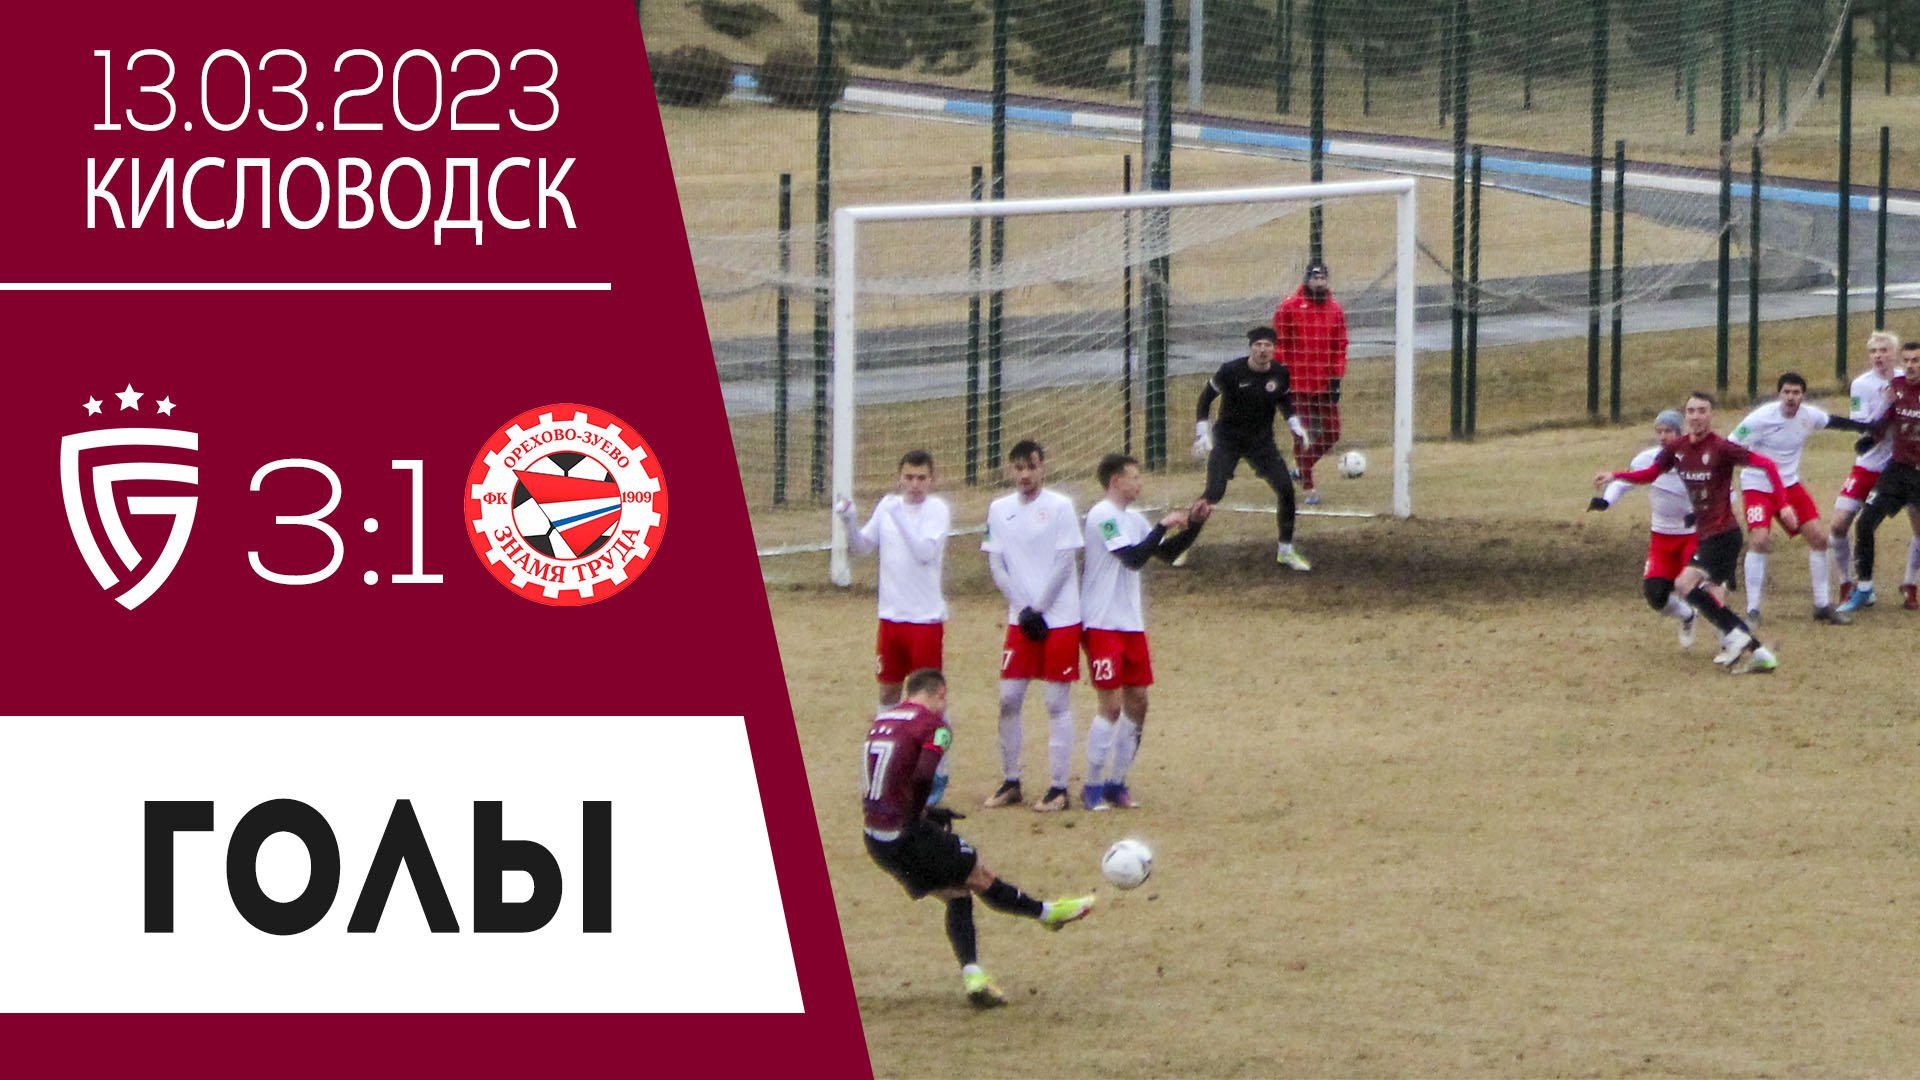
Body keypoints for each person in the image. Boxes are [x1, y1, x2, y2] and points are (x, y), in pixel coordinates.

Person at [862, 668, 1097, 1009]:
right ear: (940, 692)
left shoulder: (882, 720)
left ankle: (974, 975)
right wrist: (919, 812)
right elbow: (924, 774)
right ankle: (1047, 913)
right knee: (979, 875)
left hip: (876, 838)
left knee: (956, 893)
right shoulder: (934, 726)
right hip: (906, 832)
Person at [1597, 391, 1785, 674]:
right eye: (1691, 411)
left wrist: (1783, 505)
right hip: (1706, 534)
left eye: (1702, 410)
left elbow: (1767, 464)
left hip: (1724, 534)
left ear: (1711, 415)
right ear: (1686, 416)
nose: (1696, 416)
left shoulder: (1722, 448)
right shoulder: (1678, 448)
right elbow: (1649, 474)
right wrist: (1616, 475)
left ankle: (1735, 639)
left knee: (1687, 585)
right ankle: (1757, 651)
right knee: (1696, 589)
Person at [1078, 453, 1200, 811]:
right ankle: (1092, 785)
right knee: (1111, 707)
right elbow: (1132, 558)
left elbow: (1165, 553)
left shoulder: (1134, 518)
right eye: (1135, 477)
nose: (1140, 483)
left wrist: (1194, 525)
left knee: (1139, 702)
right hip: (1101, 623)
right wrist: (1162, 525)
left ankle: (1117, 783)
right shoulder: (1102, 515)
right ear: (1116, 481)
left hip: (1131, 624)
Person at [981, 440, 1084, 813]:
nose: (1025, 475)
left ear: (1043, 468)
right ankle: (1011, 780)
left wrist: (1039, 608)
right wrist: (1024, 609)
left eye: (1032, 467)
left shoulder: (1061, 507)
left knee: (1056, 701)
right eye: (1019, 468)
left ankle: (1059, 788)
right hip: (1021, 620)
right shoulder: (999, 509)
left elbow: (1065, 561)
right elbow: (997, 565)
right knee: (1009, 697)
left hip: (1059, 618)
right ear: (1010, 470)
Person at [1725, 372, 1871, 625]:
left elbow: (1832, 421)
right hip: (1758, 485)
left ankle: (1822, 605)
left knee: (1819, 539)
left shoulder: (1809, 416)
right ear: (1779, 394)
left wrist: (1868, 428)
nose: (1791, 397)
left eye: (1796, 392)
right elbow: (1729, 446)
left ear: (1803, 395)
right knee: (1759, 540)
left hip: (1790, 485)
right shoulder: (1760, 418)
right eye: (1786, 392)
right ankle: (1753, 611)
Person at [1187, 326, 1314, 571]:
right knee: (1214, 492)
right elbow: (1205, 398)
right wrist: (1202, 432)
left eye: (1267, 345)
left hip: (1261, 443)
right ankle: (1182, 543)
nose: (1262, 350)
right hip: (1227, 441)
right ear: (1251, 348)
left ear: (1274, 349)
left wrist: (1295, 424)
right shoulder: (1231, 371)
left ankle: (1285, 551)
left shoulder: (1280, 373)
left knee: (1286, 490)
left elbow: (1284, 400)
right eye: (1258, 345)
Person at [836, 450, 952, 710]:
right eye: (909, 477)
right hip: (891, 617)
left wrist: (898, 516)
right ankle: (886, 736)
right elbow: (862, 547)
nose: (914, 485)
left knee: (927, 697)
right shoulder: (887, 506)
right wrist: (849, 521)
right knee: (888, 691)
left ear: (932, 479)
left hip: (924, 619)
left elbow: (924, 553)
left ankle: (937, 739)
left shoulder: (936, 510)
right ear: (899, 478)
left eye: (921, 478)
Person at [1587, 410, 1701, 647]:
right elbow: (1626, 482)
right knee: (1655, 594)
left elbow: (1727, 494)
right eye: (1659, 431)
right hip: (1661, 538)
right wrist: (1606, 501)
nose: (1663, 436)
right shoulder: (1647, 459)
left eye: (1668, 431)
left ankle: (1729, 638)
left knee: (1694, 588)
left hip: (1692, 537)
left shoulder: (1697, 459)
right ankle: (1687, 616)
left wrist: (1699, 514)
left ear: (1680, 433)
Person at [1830, 334, 1920, 610]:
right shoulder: (1869, 385)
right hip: (1877, 466)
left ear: (1893, 354)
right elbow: (1869, 424)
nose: (1878, 355)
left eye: (1884, 350)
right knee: (1847, 524)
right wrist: (1871, 432)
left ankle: (1910, 584)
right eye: (1873, 351)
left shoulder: (1902, 380)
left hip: (1905, 467)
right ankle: (1854, 585)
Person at [1274, 262, 1349, 506]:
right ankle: (1308, 486)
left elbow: (1340, 345)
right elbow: (1280, 343)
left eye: (1322, 278)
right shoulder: (1289, 307)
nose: (1319, 282)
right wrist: (1282, 374)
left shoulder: (1335, 309)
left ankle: (1301, 469)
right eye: (1315, 278)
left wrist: (1336, 378)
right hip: (1297, 384)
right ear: (1307, 280)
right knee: (1301, 434)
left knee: (1332, 432)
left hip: (1323, 383)